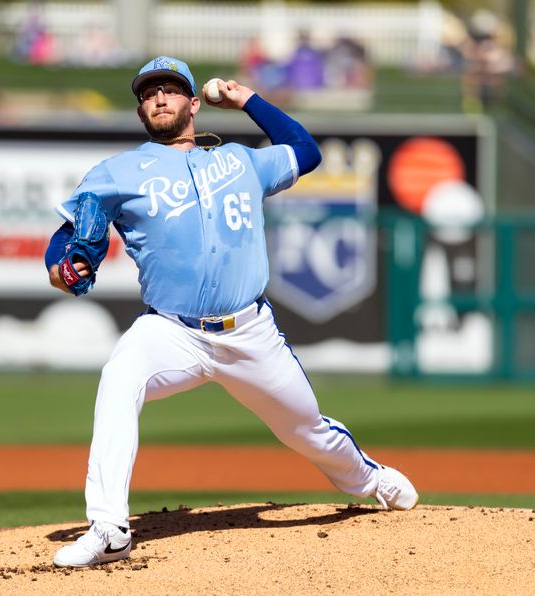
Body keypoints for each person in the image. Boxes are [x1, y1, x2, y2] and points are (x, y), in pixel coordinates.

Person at [45, 55, 418, 568]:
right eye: (149, 93)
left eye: (171, 90)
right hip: (171, 331)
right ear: (140, 111)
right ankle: (109, 527)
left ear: (193, 104)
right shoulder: (117, 173)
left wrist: (248, 100)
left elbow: (306, 152)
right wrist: (60, 269)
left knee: (306, 429)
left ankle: (369, 480)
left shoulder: (241, 161)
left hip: (251, 332)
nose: (159, 98)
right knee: (118, 379)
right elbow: (68, 237)